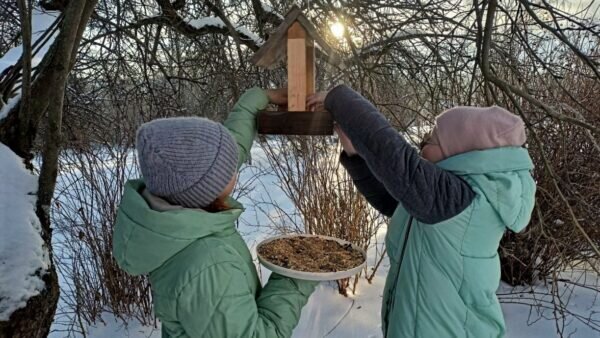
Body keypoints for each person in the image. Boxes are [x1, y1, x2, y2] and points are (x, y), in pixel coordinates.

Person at [307, 85, 536, 338]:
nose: (423, 143)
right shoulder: (440, 202)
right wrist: (357, 154)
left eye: (432, 139)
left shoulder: (462, 200)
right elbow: (395, 202)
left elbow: (397, 160)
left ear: (462, 154)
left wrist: (338, 98)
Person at [112, 87, 317, 337]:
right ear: (208, 187)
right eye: (229, 168)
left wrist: (256, 98)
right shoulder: (209, 267)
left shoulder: (176, 213)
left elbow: (231, 148)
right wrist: (296, 275)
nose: (236, 166)